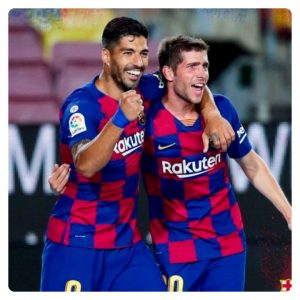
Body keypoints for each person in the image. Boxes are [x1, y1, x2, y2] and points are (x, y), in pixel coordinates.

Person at [41, 17, 234, 292]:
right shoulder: (81, 105)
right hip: (77, 242)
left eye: (143, 53)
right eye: (127, 53)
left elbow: (189, 83)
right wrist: (120, 118)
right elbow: (85, 164)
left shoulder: (144, 88)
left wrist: (212, 113)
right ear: (106, 56)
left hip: (127, 246)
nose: (138, 62)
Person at [141, 35, 292, 291]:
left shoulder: (222, 108)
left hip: (228, 243)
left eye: (205, 66)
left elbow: (252, 165)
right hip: (176, 247)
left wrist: (290, 214)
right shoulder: (147, 117)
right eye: (192, 66)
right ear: (167, 72)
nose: (202, 74)